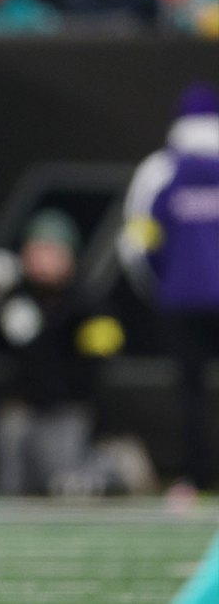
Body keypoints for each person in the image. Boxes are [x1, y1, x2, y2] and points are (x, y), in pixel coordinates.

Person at [0, 210, 151, 496]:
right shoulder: (15, 297)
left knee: (63, 484)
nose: (40, 259)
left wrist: (41, 337)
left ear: (68, 256)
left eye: (49, 250)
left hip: (66, 412)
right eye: (34, 250)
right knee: (8, 467)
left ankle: (113, 466)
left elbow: (93, 370)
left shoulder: (89, 306)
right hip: (24, 411)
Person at [118, 81, 219, 509]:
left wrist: (162, 285)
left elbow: (138, 242)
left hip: (182, 300)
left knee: (190, 394)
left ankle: (194, 479)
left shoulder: (159, 169)